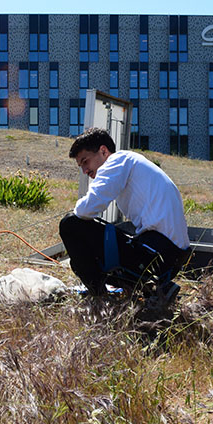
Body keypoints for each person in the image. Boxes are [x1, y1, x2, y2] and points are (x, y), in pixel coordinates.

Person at [59, 127, 190, 297]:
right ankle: (152, 287)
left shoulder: (117, 160)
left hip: (158, 253)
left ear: (103, 151)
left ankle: (99, 295)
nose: (84, 170)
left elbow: (86, 210)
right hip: (171, 258)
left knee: (70, 224)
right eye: (80, 166)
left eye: (85, 161)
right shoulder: (133, 162)